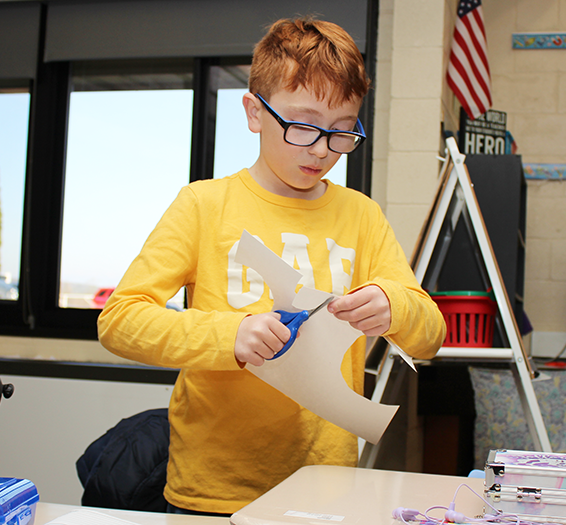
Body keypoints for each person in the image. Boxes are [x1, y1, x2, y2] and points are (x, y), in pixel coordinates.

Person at [97, 17, 446, 515]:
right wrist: (230, 336)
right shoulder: (204, 205)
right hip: (212, 493)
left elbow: (429, 334)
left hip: (326, 491)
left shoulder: (361, 216)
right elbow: (119, 321)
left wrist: (395, 308)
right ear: (254, 112)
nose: (323, 149)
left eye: (343, 131)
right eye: (303, 126)